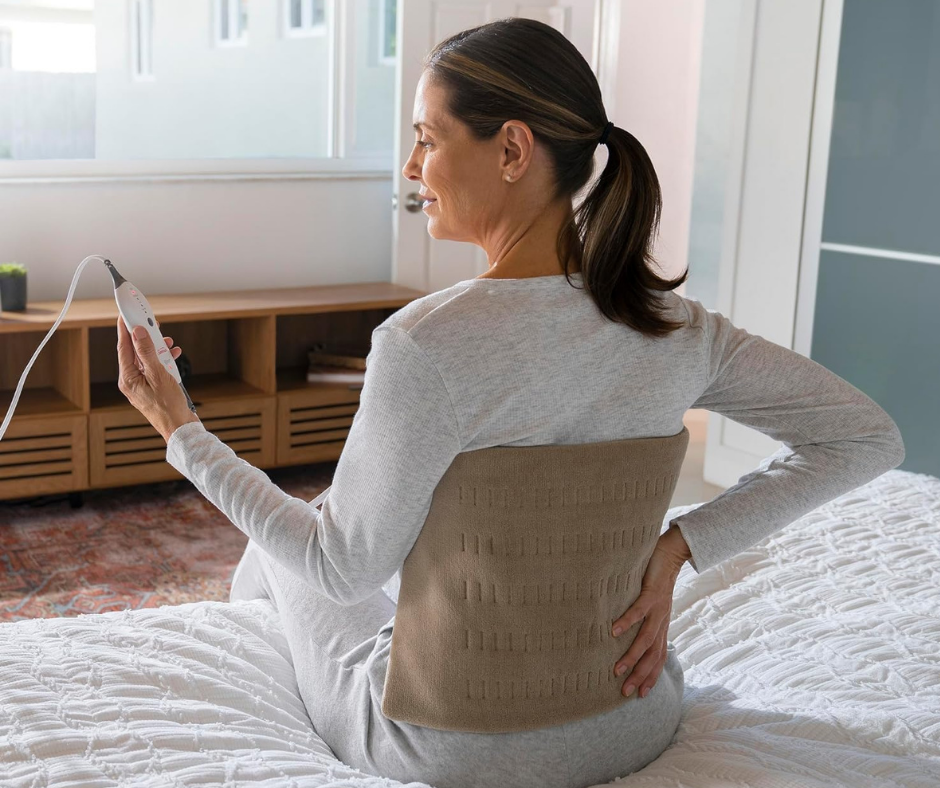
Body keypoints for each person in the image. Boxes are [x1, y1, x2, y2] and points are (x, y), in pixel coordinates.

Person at [115, 17, 905, 788]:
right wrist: (681, 547)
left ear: (513, 149)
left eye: (428, 137)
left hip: (445, 751)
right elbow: (867, 439)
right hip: (632, 721)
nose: (409, 165)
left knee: (282, 549)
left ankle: (228, 648)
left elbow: (341, 568)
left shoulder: (426, 345)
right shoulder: (677, 329)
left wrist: (184, 434)